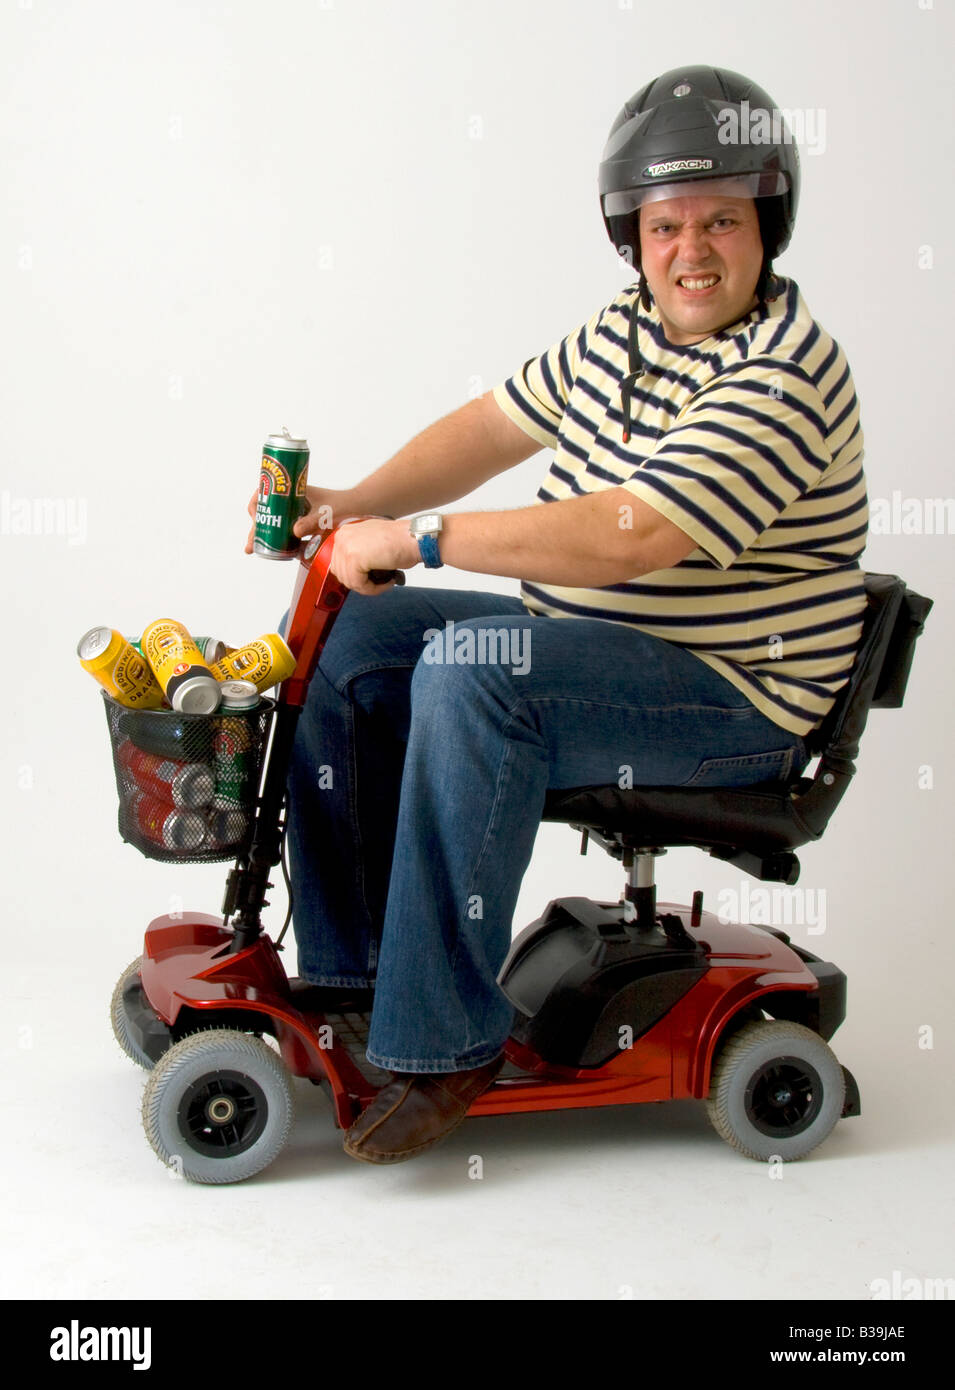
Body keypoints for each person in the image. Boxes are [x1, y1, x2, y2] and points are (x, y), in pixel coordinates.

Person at [245, 65, 868, 1165]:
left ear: (767, 225)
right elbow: (492, 424)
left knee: (471, 666)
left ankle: (440, 1046)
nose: (691, 249)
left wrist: (425, 540)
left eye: (722, 219)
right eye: (664, 223)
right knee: (357, 630)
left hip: (730, 695)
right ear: (630, 234)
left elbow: (629, 534)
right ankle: (356, 974)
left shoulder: (784, 374)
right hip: (596, 659)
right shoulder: (625, 330)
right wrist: (359, 505)